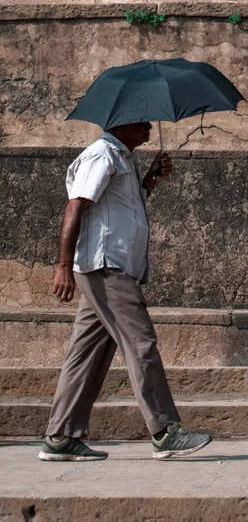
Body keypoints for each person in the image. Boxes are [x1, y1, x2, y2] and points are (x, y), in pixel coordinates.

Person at [39, 122, 212, 461]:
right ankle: (165, 431)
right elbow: (76, 206)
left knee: (87, 353)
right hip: (107, 268)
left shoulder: (123, 159)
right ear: (120, 125)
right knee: (141, 343)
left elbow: (119, 209)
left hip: (111, 267)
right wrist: (62, 265)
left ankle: (60, 437)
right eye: (142, 120)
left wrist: (150, 180)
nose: (149, 126)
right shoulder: (101, 155)